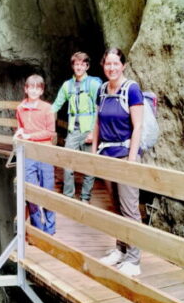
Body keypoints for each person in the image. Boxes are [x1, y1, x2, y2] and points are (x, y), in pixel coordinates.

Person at [91, 48, 143, 276]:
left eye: (115, 63)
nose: (111, 68)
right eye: (107, 64)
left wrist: (131, 160)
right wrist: (92, 154)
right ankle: (120, 249)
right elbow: (97, 122)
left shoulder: (131, 90)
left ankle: (134, 259)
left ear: (122, 65)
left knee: (130, 208)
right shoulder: (102, 90)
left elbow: (138, 126)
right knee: (115, 207)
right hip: (107, 155)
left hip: (125, 155)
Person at [52, 52, 102, 202]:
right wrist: (41, 115)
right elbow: (56, 104)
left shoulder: (93, 84)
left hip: (89, 130)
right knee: (67, 163)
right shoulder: (68, 85)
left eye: (82, 64)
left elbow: (99, 108)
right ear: (73, 66)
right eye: (76, 64)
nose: (79, 67)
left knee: (89, 166)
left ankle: (85, 197)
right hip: (73, 131)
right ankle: (69, 196)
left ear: (87, 66)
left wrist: (93, 132)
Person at [15, 74, 56, 236]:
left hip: (45, 152)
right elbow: (21, 127)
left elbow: (50, 133)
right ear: (26, 89)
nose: (33, 90)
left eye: (37, 88)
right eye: (30, 87)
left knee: (47, 189)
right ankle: (37, 230)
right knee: (31, 192)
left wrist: (29, 136)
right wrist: (20, 133)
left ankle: (50, 230)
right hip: (28, 153)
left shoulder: (47, 108)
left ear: (41, 90)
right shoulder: (20, 108)